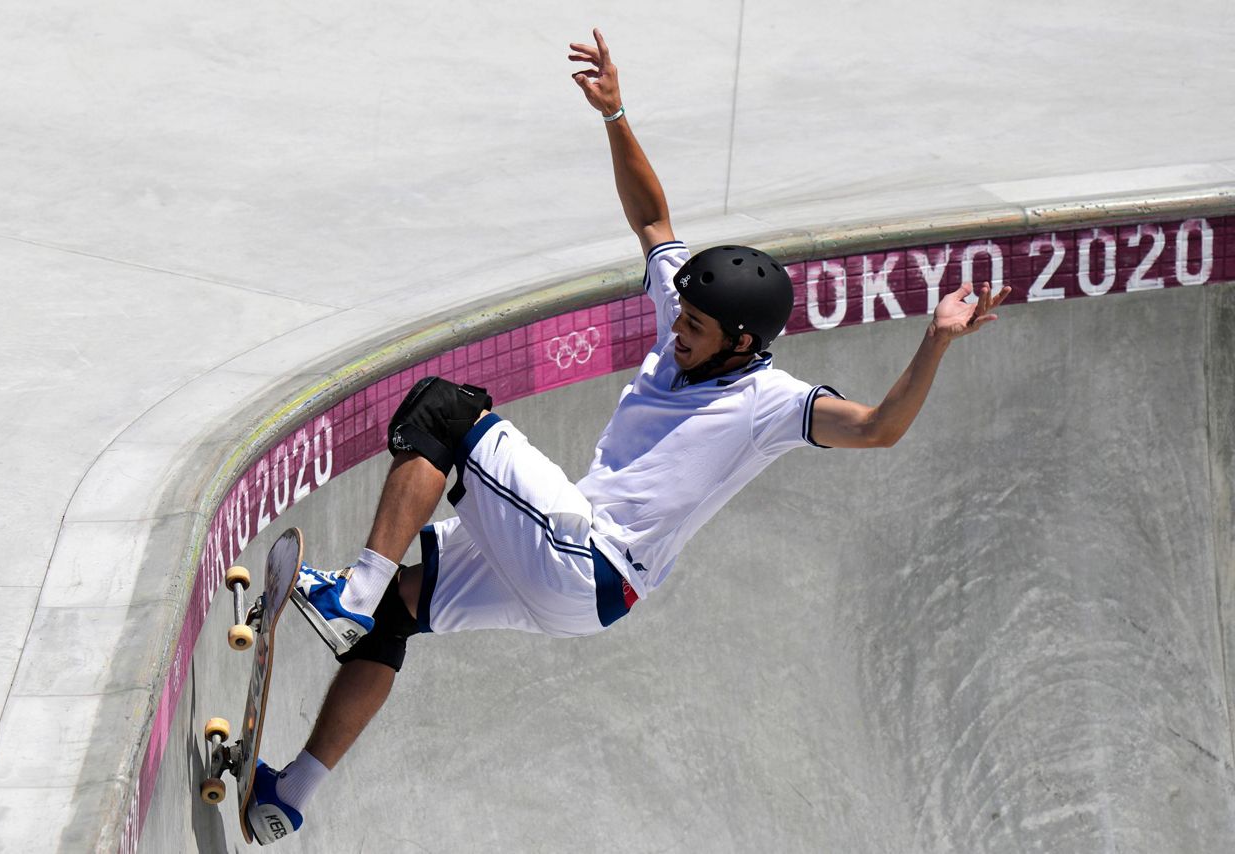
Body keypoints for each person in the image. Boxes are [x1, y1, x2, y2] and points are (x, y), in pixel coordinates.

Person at [243, 28, 1009, 844]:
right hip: (591, 589)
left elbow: (881, 429)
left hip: (587, 559)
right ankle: (291, 793)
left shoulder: (771, 404)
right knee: (409, 607)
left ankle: (350, 597)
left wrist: (935, 339)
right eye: (680, 311)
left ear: (743, 343)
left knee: (442, 409)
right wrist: (616, 114)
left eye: (698, 325)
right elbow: (653, 218)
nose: (678, 328)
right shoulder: (682, 318)